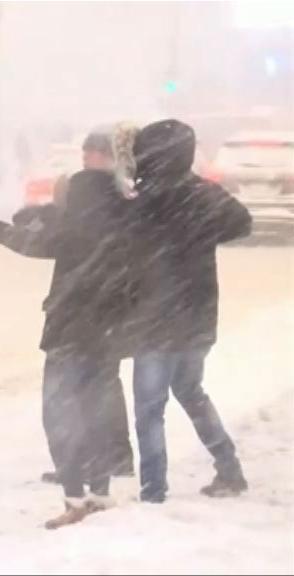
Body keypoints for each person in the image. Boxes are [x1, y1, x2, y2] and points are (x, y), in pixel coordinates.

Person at [0, 127, 137, 529]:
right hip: (109, 330)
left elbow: (30, 243)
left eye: (89, 151)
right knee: (97, 410)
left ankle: (75, 497)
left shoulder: (78, 211)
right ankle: (99, 491)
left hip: (70, 328)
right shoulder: (129, 209)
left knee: (60, 413)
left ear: (94, 156)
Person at [128, 119, 252, 503]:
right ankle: (229, 468)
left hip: (154, 318)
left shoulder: (146, 201)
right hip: (196, 314)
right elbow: (241, 223)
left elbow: (120, 249)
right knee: (190, 391)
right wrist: (201, 231)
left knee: (150, 408)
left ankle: (153, 490)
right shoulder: (202, 194)